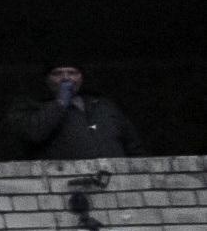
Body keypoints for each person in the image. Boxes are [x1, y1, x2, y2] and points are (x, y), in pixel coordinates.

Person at [14, 65, 142, 160]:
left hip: (116, 184)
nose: (66, 78)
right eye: (57, 73)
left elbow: (133, 145)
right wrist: (60, 103)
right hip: (61, 185)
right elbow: (33, 133)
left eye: (72, 72)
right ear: (47, 79)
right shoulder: (32, 105)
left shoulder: (103, 105)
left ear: (81, 77)